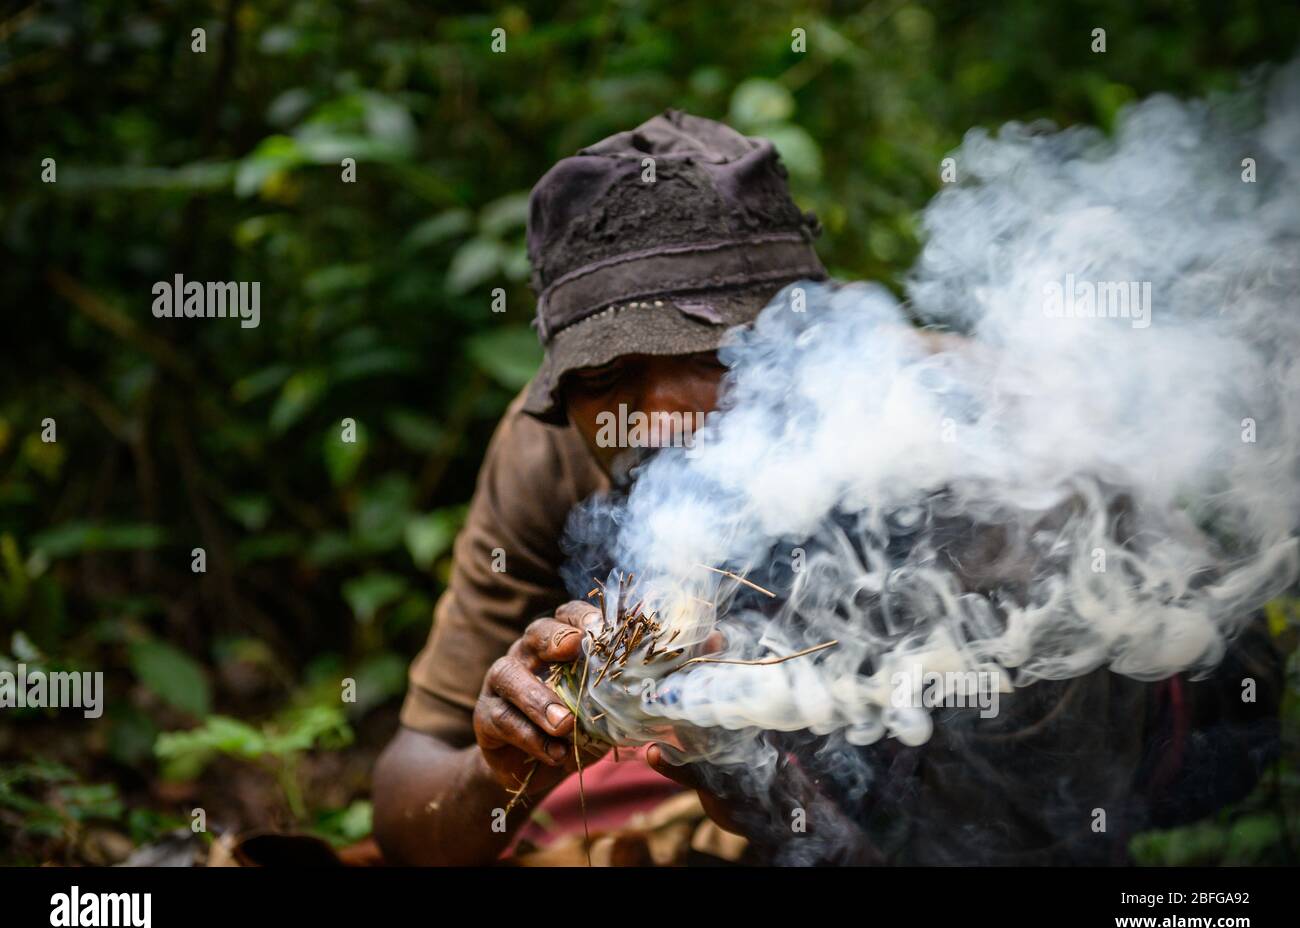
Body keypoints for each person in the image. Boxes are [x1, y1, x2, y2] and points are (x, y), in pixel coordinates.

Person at [373, 110, 1282, 866]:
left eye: (708, 357)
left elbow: (1034, 824)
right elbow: (410, 804)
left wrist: (780, 789)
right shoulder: (549, 452)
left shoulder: (964, 454)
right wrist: (502, 766)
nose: (650, 419)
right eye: (604, 379)